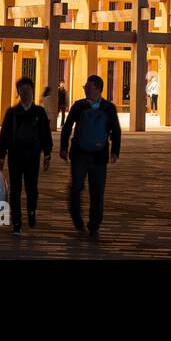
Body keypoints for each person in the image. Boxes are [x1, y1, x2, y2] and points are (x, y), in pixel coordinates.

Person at [59, 74, 121, 239]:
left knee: (97, 191)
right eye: (85, 86)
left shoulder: (104, 107)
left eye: (89, 86)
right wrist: (63, 148)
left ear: (98, 89)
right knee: (78, 188)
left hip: (97, 156)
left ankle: (94, 224)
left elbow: (116, 130)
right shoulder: (84, 106)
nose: (86, 89)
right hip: (81, 153)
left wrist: (115, 151)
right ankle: (78, 221)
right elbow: (67, 127)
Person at [0, 77, 52, 235]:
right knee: (15, 190)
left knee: (32, 188)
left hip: (33, 156)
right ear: (18, 92)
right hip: (15, 156)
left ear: (33, 91)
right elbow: (4, 135)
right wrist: (1, 156)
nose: (25, 93)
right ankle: (16, 222)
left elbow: (45, 135)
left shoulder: (39, 112)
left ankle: (32, 211)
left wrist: (47, 154)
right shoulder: (12, 112)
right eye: (22, 90)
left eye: (28, 90)